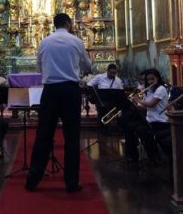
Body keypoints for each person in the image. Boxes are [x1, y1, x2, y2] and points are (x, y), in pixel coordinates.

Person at [26, 13, 91, 193]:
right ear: (69, 24)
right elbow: (87, 65)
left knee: (43, 135)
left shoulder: (45, 41)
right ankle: (71, 182)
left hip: (50, 91)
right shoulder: (76, 41)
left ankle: (33, 180)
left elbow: (39, 67)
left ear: (54, 24)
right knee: (72, 137)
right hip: (70, 90)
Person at [87, 64, 123, 128]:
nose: (112, 75)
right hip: (101, 102)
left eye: (114, 73)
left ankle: (115, 128)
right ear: (107, 71)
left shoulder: (118, 80)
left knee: (118, 113)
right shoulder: (99, 77)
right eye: (111, 73)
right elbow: (89, 84)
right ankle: (102, 129)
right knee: (102, 113)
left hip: (113, 102)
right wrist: (94, 96)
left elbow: (121, 91)